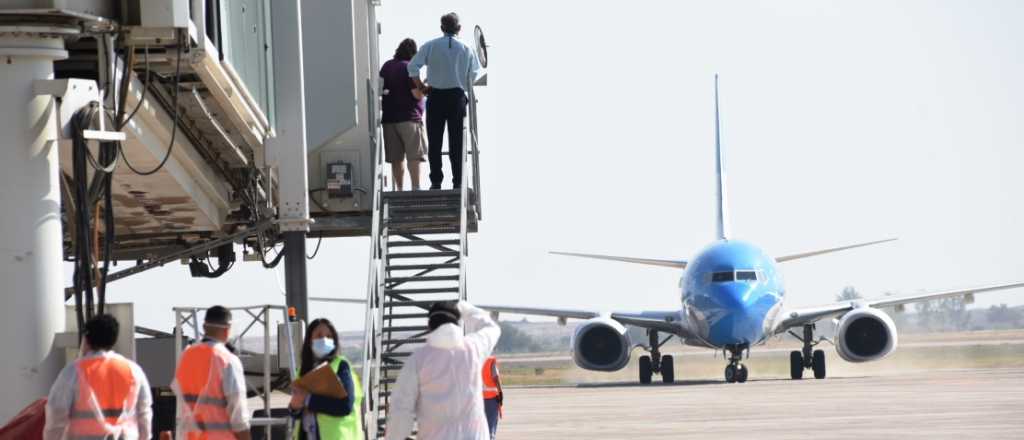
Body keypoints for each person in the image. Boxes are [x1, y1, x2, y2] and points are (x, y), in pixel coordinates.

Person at [385, 301, 501, 440]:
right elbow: (492, 327)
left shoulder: (418, 360)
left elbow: (401, 410)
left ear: (429, 326)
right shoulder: (473, 348)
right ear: (457, 324)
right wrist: (464, 308)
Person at [44, 314, 153, 440]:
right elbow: (144, 414)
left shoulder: (73, 371)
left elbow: (56, 413)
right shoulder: (134, 371)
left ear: (87, 339)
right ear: (114, 339)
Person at [407, 12, 482, 190]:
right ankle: (458, 181)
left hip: (436, 96)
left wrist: (422, 87)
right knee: (457, 141)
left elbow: (412, 67)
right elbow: (474, 73)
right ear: (459, 29)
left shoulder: (431, 46)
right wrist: (462, 82)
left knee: (435, 141)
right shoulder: (466, 48)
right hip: (456, 97)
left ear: (442, 28)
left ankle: (436, 181)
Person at [171, 306, 251, 440]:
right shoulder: (227, 360)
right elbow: (239, 417)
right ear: (227, 330)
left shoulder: (186, 356)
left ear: (204, 327)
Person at [289, 318, 363, 440]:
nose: (324, 340)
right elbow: (297, 411)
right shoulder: (302, 370)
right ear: (309, 340)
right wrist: (294, 408)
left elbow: (346, 406)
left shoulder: (341, 366)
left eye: (329, 336)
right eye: (319, 335)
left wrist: (308, 399)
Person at [381, 38, 427, 191]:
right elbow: (417, 95)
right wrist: (425, 87)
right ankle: (415, 187)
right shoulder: (410, 67)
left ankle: (399, 189)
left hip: (389, 119)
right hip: (409, 118)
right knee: (414, 156)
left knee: (396, 158)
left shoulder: (387, 66)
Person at [481, 356, 503, 439]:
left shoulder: (475, 358)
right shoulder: (490, 360)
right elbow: (496, 377)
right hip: (491, 398)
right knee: (491, 427)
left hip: (478, 398)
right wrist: (500, 393)